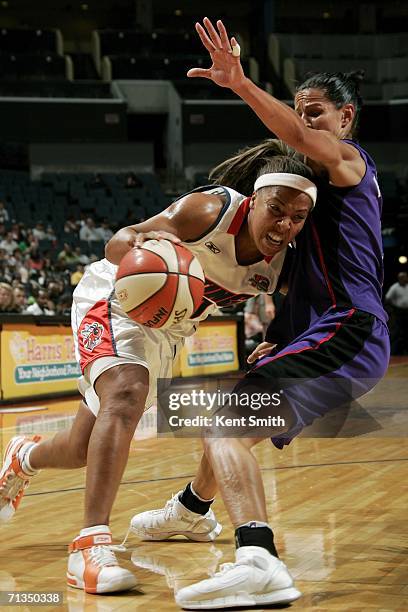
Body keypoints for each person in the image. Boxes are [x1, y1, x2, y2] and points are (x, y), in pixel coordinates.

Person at [130, 19, 390, 610]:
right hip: (339, 332)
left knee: (224, 413)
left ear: (346, 120)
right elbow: (311, 280)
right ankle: (193, 512)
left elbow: (297, 138)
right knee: (235, 411)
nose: (306, 124)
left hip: (351, 330)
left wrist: (242, 84)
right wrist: (282, 336)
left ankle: (258, 558)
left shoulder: (350, 164)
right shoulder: (309, 209)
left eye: (316, 113)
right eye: (302, 111)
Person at [0, 143, 317, 595]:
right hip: (117, 295)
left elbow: (296, 314)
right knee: (127, 393)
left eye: (298, 217)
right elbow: (117, 244)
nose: (285, 224)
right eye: (276, 210)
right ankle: (89, 547)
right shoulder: (209, 209)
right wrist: (144, 245)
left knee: (81, 450)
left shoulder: (286, 260)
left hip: (168, 330)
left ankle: (23, 456)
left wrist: (281, 341)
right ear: (253, 201)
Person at [385, 271, 408, 354]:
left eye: (406, 277)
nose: (405, 279)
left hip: (407, 312)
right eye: (403, 277)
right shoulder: (395, 287)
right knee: (397, 332)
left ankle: (405, 351)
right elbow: (387, 298)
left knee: (406, 332)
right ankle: (394, 352)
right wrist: (394, 307)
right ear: (399, 278)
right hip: (399, 312)